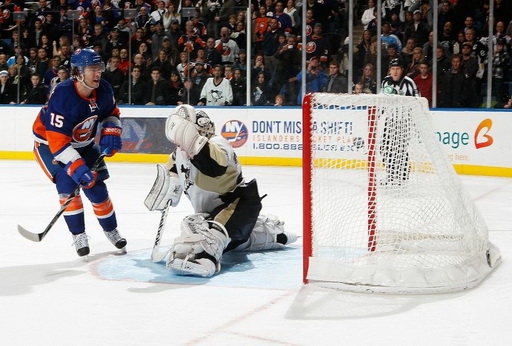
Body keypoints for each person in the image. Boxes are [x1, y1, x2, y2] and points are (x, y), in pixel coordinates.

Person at [144, 105, 297, 277]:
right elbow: (172, 169)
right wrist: (169, 184)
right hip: (216, 215)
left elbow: (213, 165)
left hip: (238, 207)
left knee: (204, 228)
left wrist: (191, 140)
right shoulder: (179, 153)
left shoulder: (219, 144)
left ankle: (203, 257)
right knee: (200, 225)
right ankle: (269, 234)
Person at [31, 48, 126, 257]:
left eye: (98, 68)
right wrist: (77, 167)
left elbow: (112, 113)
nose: (98, 73)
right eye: (92, 69)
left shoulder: (104, 89)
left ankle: (111, 230)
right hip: (49, 144)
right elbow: (57, 141)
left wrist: (111, 130)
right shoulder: (63, 95)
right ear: (78, 72)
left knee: (97, 188)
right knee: (67, 184)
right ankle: (78, 234)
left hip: (83, 143)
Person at [380, 58, 420, 186]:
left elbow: (417, 102)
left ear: (402, 70)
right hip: (390, 120)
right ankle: (391, 175)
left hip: (404, 121)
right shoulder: (386, 81)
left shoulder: (409, 83)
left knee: (400, 149)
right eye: (393, 69)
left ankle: (402, 178)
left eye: (397, 69)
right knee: (385, 148)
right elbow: (381, 100)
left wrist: (416, 121)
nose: (395, 71)